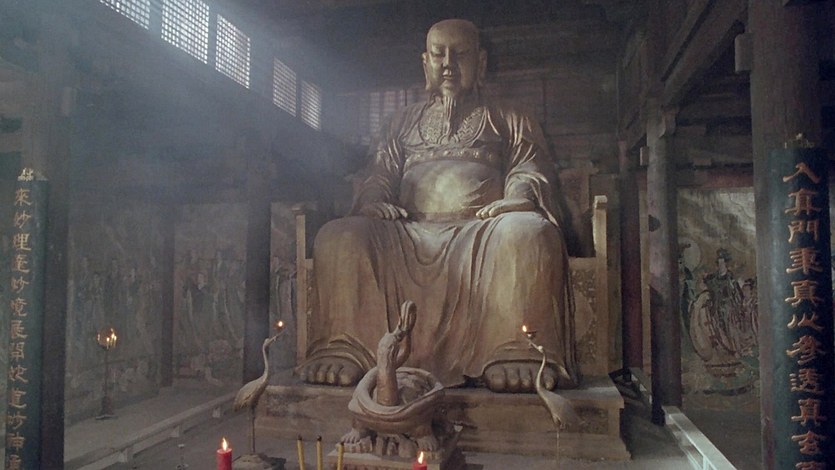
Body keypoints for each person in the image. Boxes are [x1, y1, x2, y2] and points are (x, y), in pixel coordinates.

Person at [298, 19, 578, 393]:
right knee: (338, 235)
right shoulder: (399, 122)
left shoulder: (510, 117)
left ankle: (516, 350)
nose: (448, 64)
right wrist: (374, 201)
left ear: (480, 63)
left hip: (482, 232)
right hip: (406, 233)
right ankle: (345, 347)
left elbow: (529, 167)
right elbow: (379, 174)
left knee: (529, 233)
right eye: (438, 54)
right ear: (425, 63)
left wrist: (518, 197)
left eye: (459, 54)